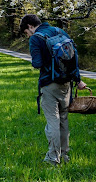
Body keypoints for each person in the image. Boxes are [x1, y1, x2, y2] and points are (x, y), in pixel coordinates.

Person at [19, 14, 87, 166]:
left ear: (30, 26)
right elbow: (73, 57)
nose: (28, 35)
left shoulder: (36, 38)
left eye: (26, 32)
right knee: (63, 119)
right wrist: (78, 80)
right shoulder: (59, 31)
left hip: (49, 84)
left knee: (53, 122)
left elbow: (37, 63)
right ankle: (64, 156)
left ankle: (52, 159)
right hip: (66, 84)